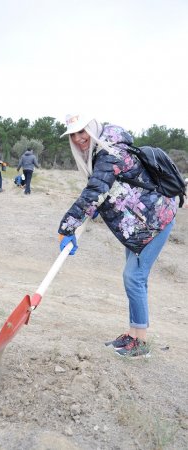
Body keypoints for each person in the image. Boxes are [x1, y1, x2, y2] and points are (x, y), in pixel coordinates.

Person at [58, 114, 177, 358]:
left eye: (82, 131)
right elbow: (100, 191)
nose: (79, 138)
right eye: (73, 134)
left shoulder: (110, 152)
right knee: (136, 279)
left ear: (91, 128)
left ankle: (141, 343)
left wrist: (66, 228)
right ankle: (133, 334)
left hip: (155, 220)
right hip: (138, 225)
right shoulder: (100, 151)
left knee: (134, 277)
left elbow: (94, 191)